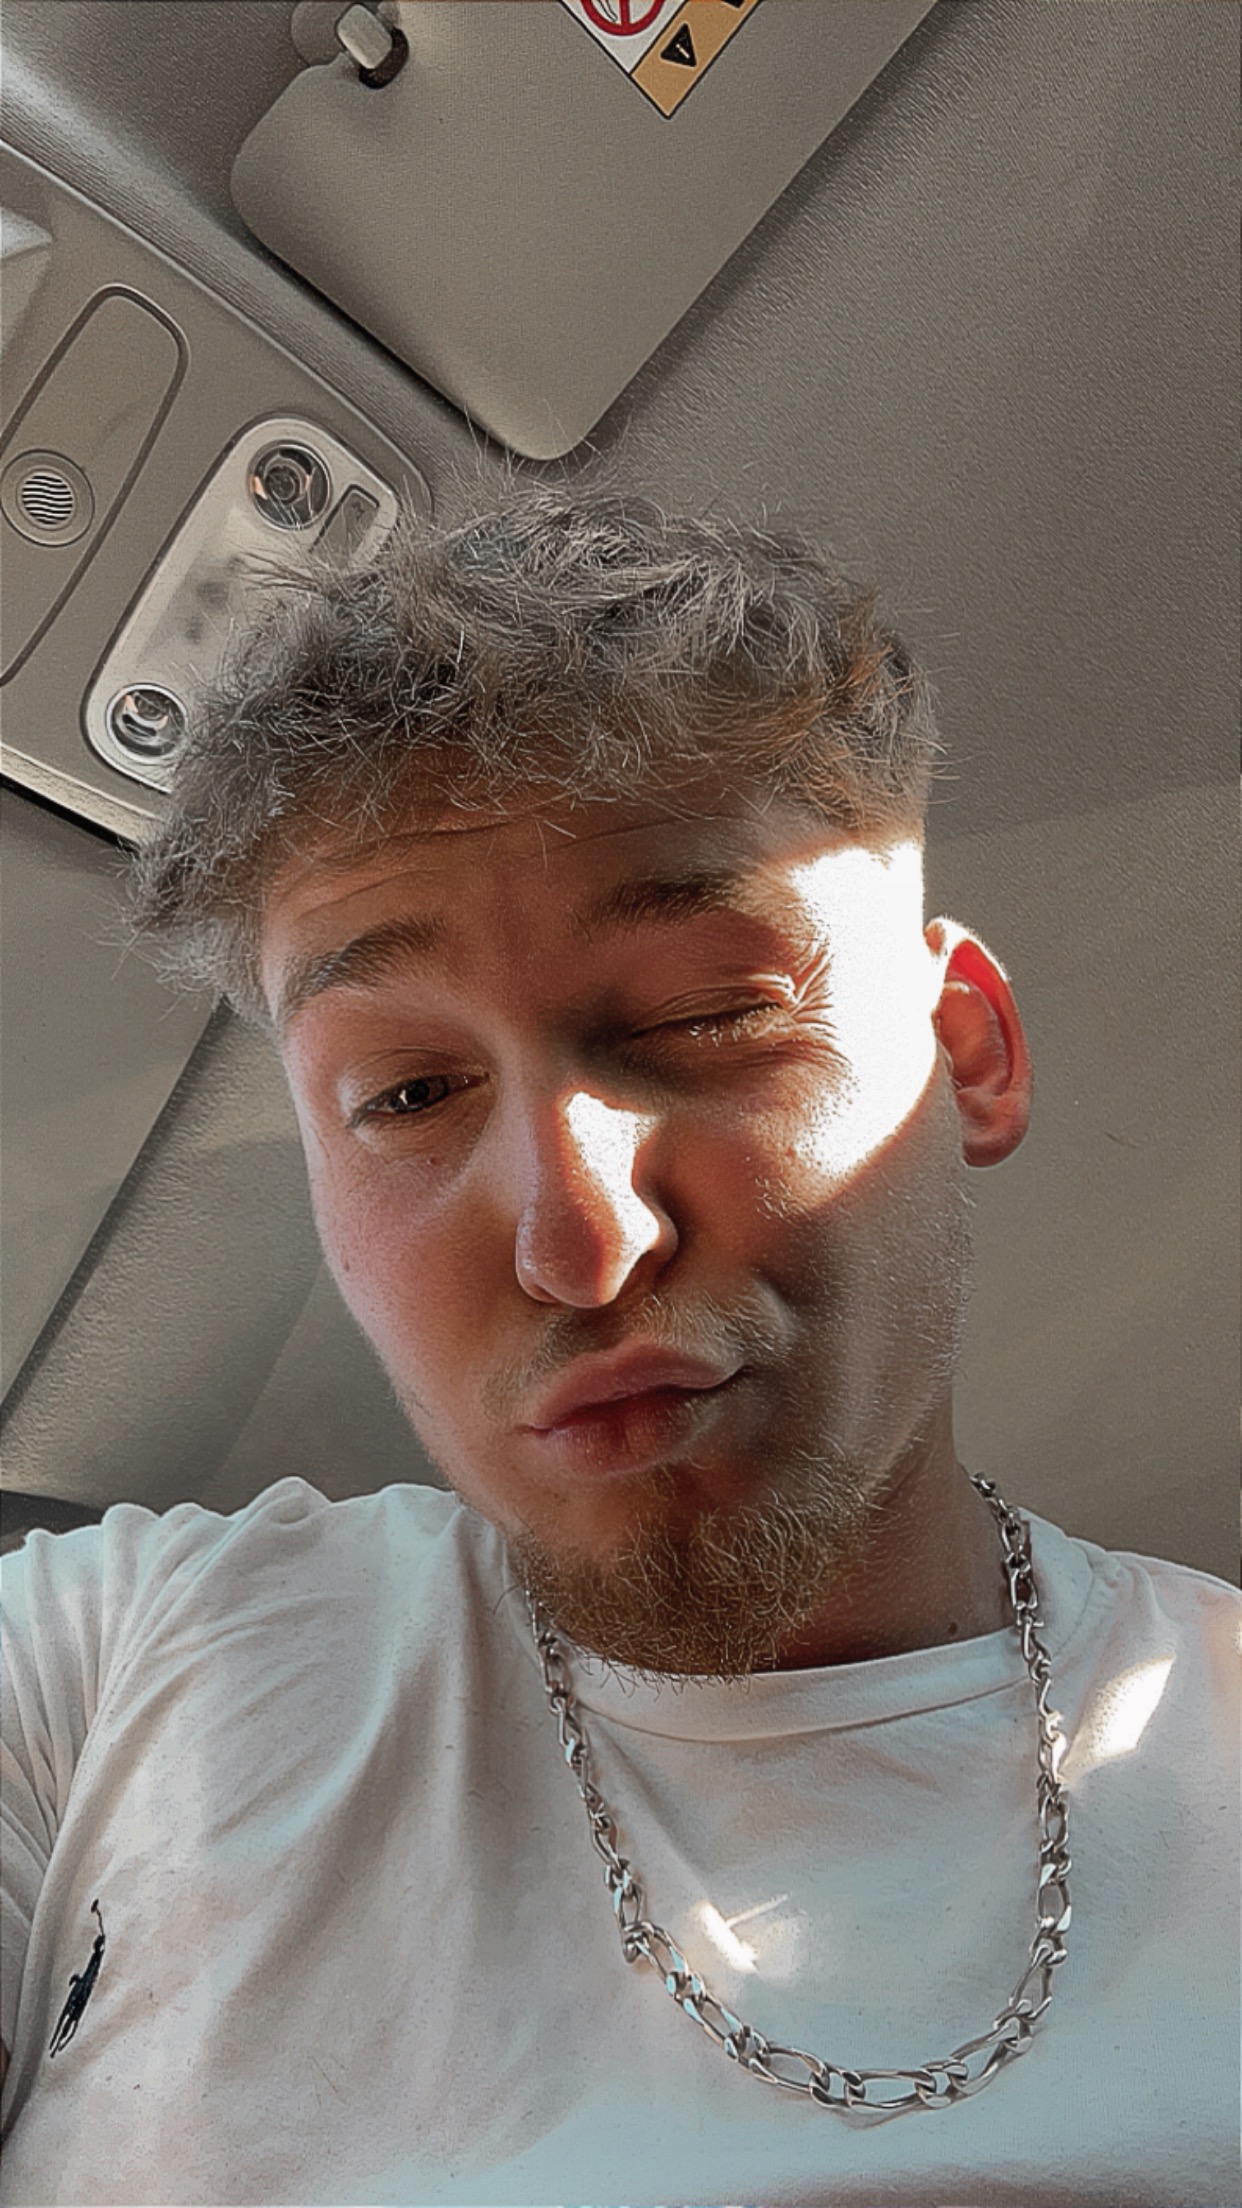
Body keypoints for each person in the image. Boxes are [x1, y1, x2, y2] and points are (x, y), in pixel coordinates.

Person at [1, 487, 1236, 2208]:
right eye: (407, 1094)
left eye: (707, 1014)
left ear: (965, 1053)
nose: (577, 1243)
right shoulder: (98, 1671)